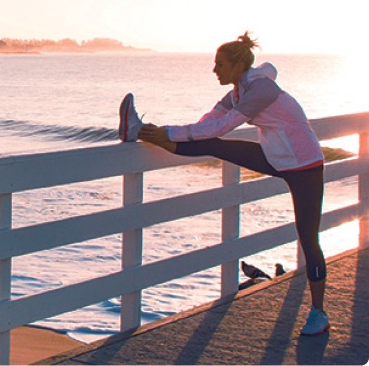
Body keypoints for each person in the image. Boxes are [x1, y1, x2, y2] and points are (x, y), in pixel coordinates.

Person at [118, 32, 329, 336]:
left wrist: (168, 131)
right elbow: (208, 125)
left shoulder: (261, 90)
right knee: (214, 144)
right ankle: (137, 130)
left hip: (306, 165)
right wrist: (167, 133)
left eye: (219, 64)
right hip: (276, 156)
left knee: (308, 239)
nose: (214, 70)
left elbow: (221, 126)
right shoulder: (238, 91)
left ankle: (319, 313)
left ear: (236, 65)